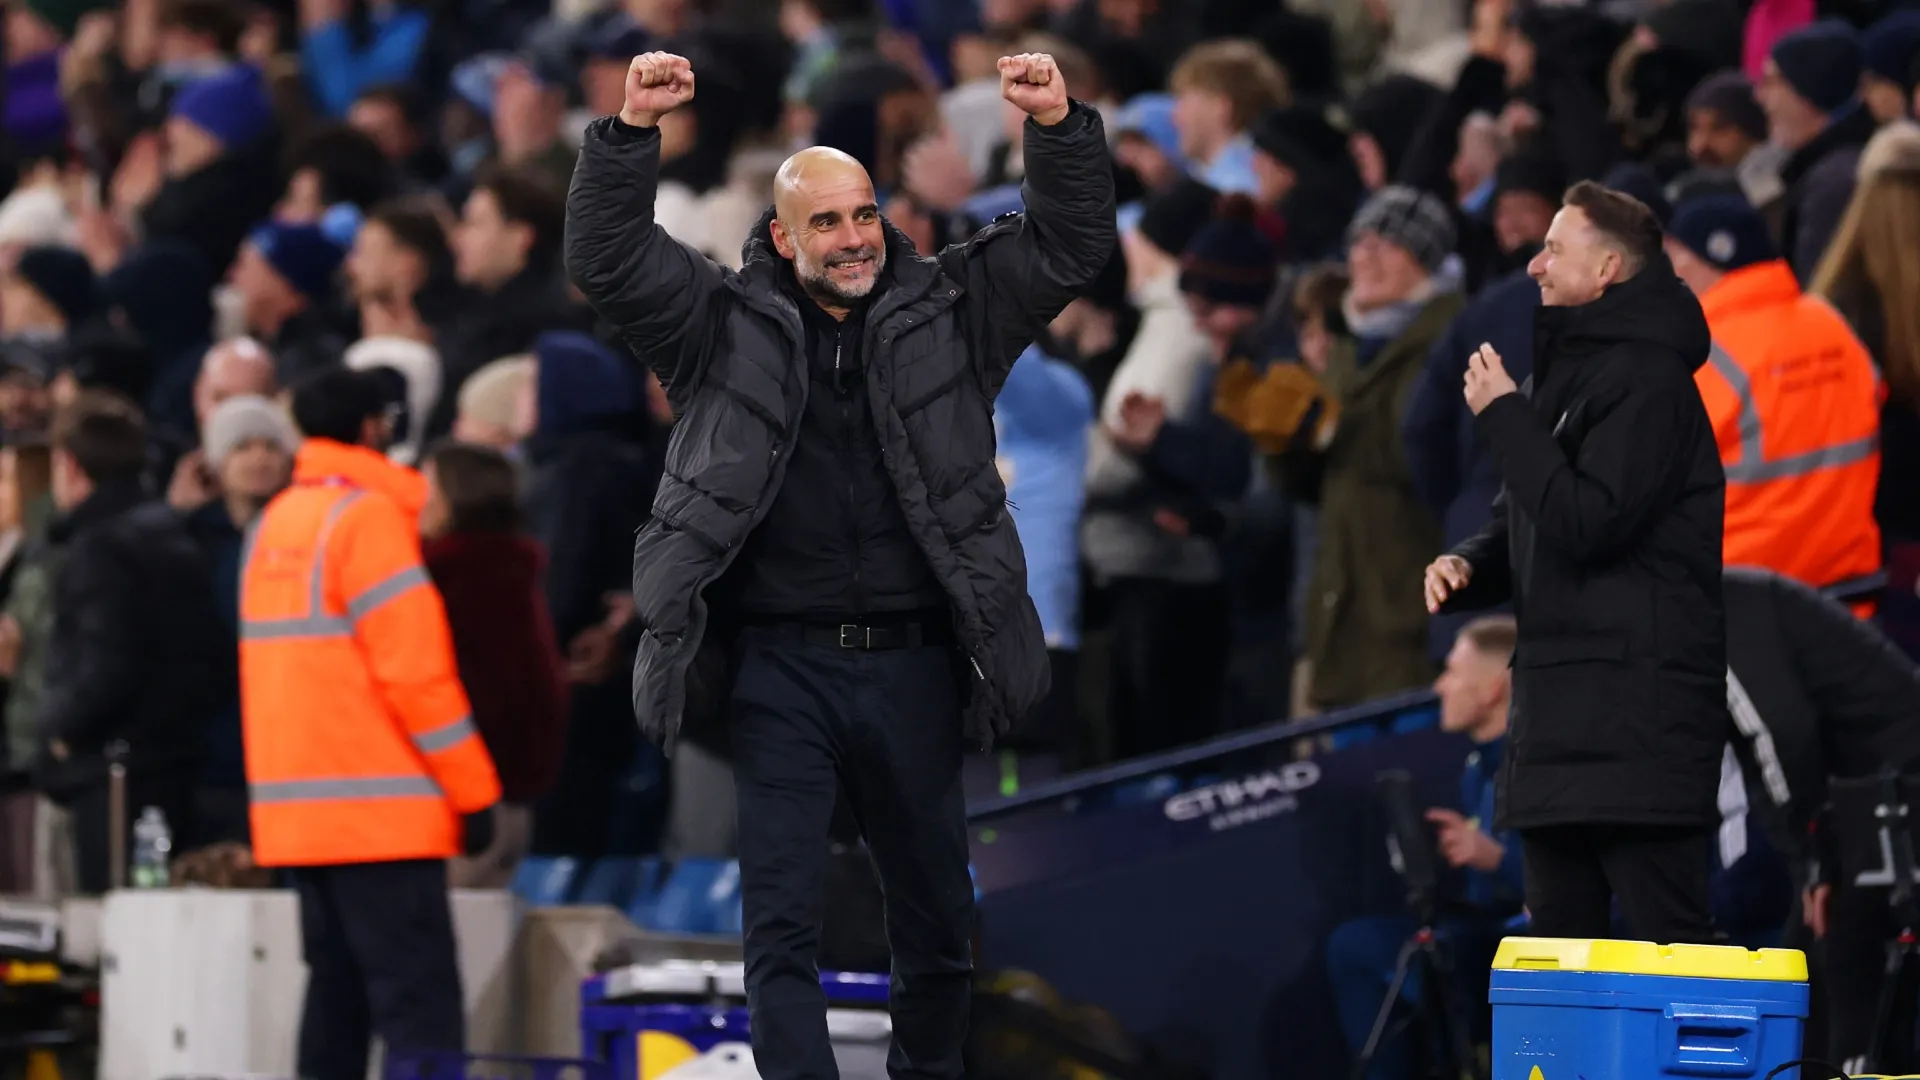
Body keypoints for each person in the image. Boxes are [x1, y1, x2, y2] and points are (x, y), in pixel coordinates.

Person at [565, 49, 1114, 1079]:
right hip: (781, 670)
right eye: (827, 221)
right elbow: (609, 256)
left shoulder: (954, 310)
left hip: (913, 663)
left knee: (939, 924)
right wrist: (629, 134)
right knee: (781, 922)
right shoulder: (714, 325)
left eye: (864, 214)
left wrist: (1058, 131)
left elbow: (1073, 242)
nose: (854, 236)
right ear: (782, 236)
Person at [1425, 180, 1728, 945]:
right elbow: (1527, 516)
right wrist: (1469, 565)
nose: (1534, 264)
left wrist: (1502, 416)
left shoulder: (1651, 383)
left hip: (1637, 734)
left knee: (1668, 958)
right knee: (1561, 968)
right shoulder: (1561, 379)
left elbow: (1589, 521)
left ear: (1607, 272)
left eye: (1554, 248)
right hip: (1560, 731)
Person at [239, 367, 500, 1080]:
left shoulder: (273, 526)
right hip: (383, 817)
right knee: (420, 1009)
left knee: (335, 1003)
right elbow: (417, 678)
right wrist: (473, 792)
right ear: (375, 429)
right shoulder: (367, 522)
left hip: (300, 820)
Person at [37, 391, 232, 893]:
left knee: (118, 915)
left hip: (117, 774)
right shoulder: (173, 535)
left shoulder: (99, 549)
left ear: (68, 464)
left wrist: (61, 728)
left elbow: (107, 660)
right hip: (177, 760)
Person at [1327, 615, 1523, 1080]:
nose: (1439, 686)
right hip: (1479, 937)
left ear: (1493, 689)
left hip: (1518, 948)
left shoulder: (1536, 765)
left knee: (1382, 952)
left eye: (1453, 672)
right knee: (1364, 946)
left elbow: (1578, 883)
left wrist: (1496, 858)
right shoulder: (1478, 769)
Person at [1664, 194, 1881, 598]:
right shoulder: (1832, 327)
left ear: (1711, 260)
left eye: (1673, 259)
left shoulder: (1699, 359)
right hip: (1848, 597)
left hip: (1740, 606)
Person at [420, 441, 567, 889]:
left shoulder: (446, 581)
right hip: (514, 800)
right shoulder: (515, 575)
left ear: (453, 498)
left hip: (461, 804)